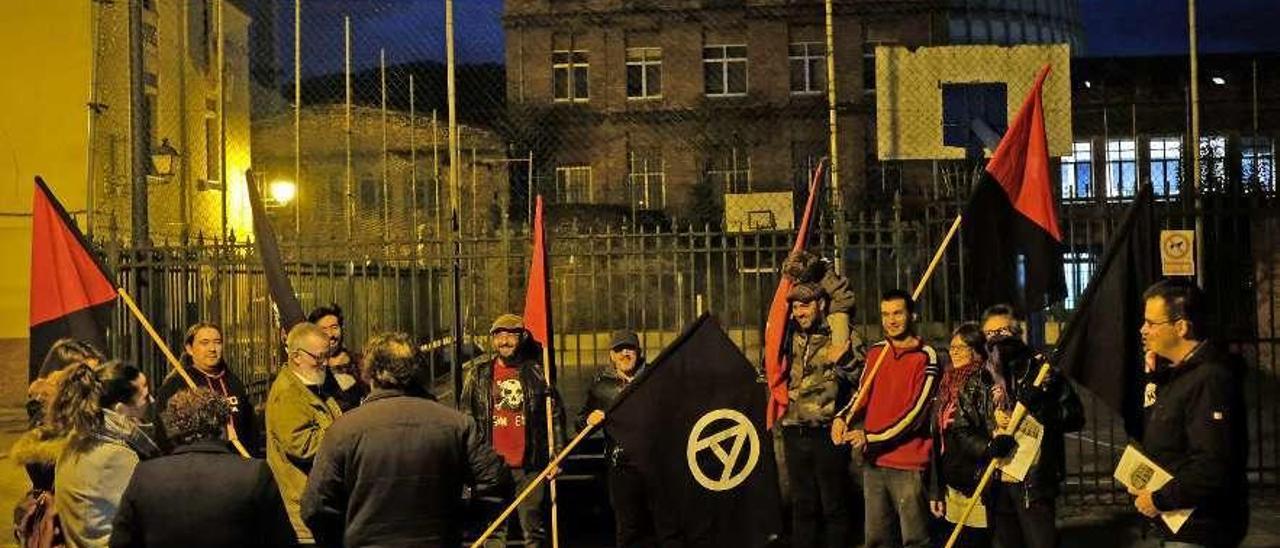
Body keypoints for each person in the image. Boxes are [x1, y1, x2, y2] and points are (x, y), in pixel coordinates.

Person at [302, 332, 513, 547]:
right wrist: (462, 523)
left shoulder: (344, 430)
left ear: (371, 374)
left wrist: (343, 538)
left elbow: (315, 507)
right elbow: (496, 482)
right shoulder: (456, 425)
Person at [1132, 279, 1247, 547]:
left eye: (1151, 323)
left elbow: (1213, 466)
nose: (1143, 330)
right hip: (1177, 522)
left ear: (1181, 326)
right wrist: (1153, 378)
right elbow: (1162, 436)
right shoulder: (1176, 374)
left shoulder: (1210, 379)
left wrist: (1159, 499)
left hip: (1200, 527)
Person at [109, 388, 294, 547]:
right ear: (223, 427)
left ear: (174, 428)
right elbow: (281, 541)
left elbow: (121, 541)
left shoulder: (146, 475)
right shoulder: (253, 474)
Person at [838, 289, 939, 548]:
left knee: (915, 540)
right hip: (874, 462)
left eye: (897, 313)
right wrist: (843, 418)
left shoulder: (926, 356)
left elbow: (916, 415)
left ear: (912, 315)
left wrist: (870, 437)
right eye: (885, 314)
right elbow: (861, 393)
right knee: (876, 540)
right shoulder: (877, 352)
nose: (891, 320)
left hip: (908, 463)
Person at [981, 304, 1084, 548]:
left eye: (1003, 331)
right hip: (996, 479)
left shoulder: (1042, 372)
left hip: (1033, 481)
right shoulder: (983, 375)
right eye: (990, 333)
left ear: (1017, 333)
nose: (996, 339)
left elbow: (1073, 416)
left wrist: (1039, 409)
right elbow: (969, 423)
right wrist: (991, 426)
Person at [461, 313, 566, 548]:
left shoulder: (539, 373)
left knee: (534, 531)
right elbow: (466, 419)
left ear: (522, 337)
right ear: (492, 340)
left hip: (529, 466)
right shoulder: (478, 375)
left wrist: (557, 453)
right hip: (491, 467)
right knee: (494, 531)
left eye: (511, 335)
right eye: (499, 335)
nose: (505, 341)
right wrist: (470, 459)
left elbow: (555, 416)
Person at [776, 283, 856, 548]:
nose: (800, 312)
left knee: (834, 505)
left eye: (806, 305)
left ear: (821, 304)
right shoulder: (787, 337)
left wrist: (844, 362)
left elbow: (862, 381)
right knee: (803, 506)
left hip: (826, 432)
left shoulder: (839, 334)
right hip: (793, 430)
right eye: (796, 307)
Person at [50, 361, 160, 548]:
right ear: (120, 409)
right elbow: (152, 512)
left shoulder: (79, 438)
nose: (152, 401)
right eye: (145, 396)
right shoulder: (117, 455)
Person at [928, 323, 1006, 547]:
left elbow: (987, 428)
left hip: (976, 481)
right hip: (952, 479)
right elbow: (937, 438)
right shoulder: (946, 383)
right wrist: (936, 488)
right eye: (952, 348)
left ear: (975, 350)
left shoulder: (984, 381)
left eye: (960, 348)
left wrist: (987, 448)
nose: (954, 353)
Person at [266, 322, 344, 545]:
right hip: (303, 511)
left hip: (317, 506)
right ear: (296, 356)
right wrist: (345, 437)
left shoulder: (312, 386)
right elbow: (303, 446)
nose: (324, 363)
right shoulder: (289, 394)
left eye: (326, 356)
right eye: (318, 357)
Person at [577, 329, 655, 547]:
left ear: (639, 352)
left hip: (656, 464)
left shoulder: (655, 378)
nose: (625, 354)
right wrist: (588, 421)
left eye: (629, 349)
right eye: (619, 350)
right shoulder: (602, 385)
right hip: (620, 466)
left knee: (660, 525)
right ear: (611, 355)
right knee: (628, 527)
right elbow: (580, 423)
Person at [154, 322, 256, 453]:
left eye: (217, 342)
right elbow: (164, 433)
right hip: (195, 464)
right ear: (189, 348)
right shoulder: (175, 385)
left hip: (237, 463)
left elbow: (251, 428)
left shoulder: (234, 383)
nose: (212, 348)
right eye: (204, 343)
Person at [308, 304, 368, 411]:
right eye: (324, 329)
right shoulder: (310, 366)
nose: (330, 334)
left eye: (334, 327)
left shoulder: (359, 363)